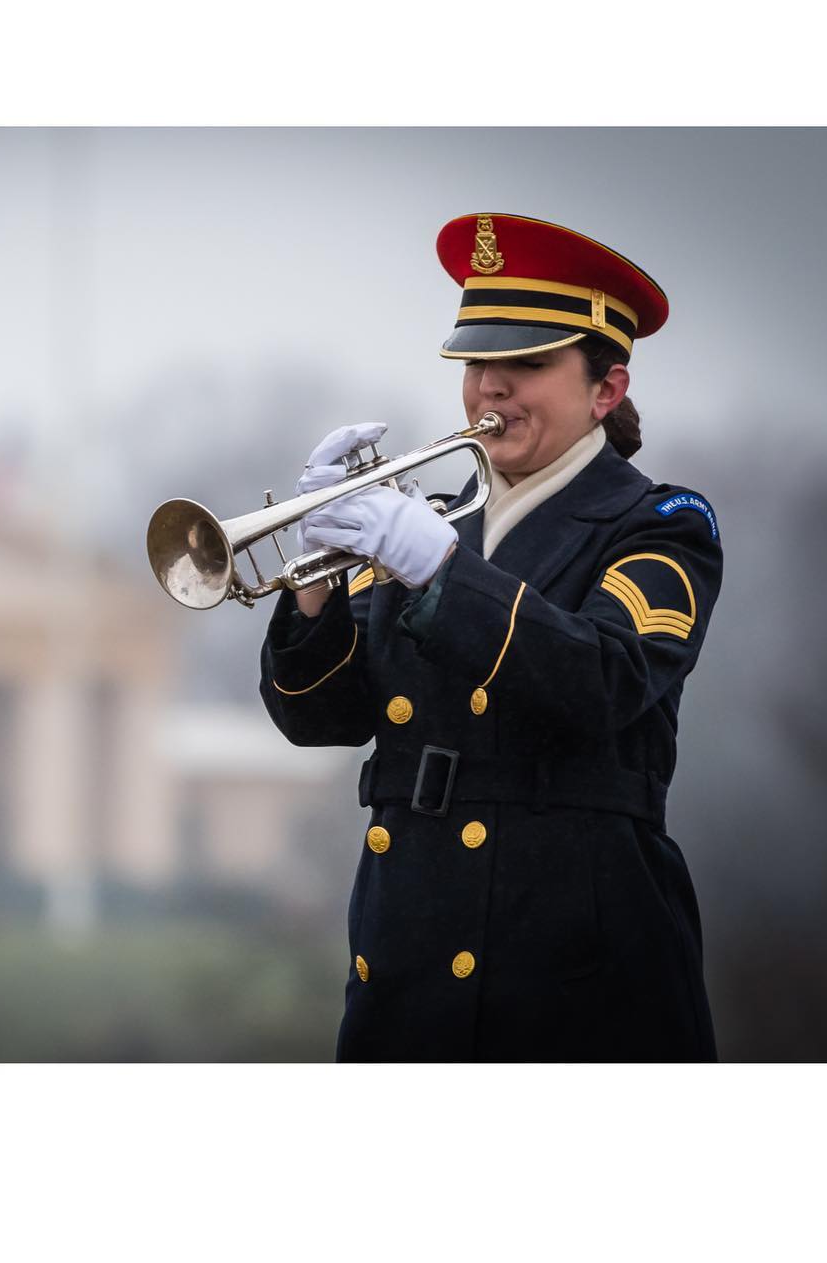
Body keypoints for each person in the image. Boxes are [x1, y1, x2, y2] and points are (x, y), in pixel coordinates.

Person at [259, 213, 721, 1061]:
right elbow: (318, 718)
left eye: (528, 365)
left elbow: (602, 681)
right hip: (408, 963)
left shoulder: (658, 525)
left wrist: (436, 568)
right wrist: (319, 571)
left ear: (605, 391)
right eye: (479, 365)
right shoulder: (438, 526)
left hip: (577, 974)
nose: (492, 389)